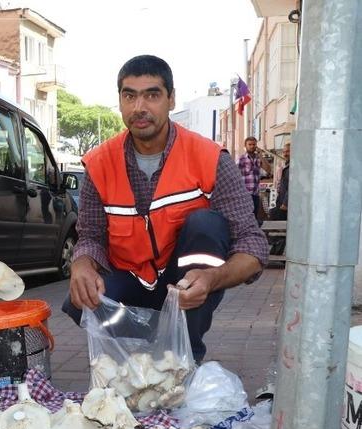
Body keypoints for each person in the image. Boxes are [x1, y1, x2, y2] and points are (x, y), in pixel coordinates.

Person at [63, 55, 269, 362]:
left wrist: (212, 279)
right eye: (129, 95)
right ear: (120, 101)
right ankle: (138, 352)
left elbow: (253, 247)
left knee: (206, 224)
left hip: (185, 288)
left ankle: (185, 353)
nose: (139, 108)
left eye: (152, 94)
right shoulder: (99, 163)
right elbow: (91, 236)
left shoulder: (210, 158)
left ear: (171, 99)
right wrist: (80, 263)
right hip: (130, 278)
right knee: (81, 299)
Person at [238, 136, 263, 222]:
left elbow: (269, 169)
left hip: (256, 194)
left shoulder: (258, 158)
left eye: (254, 144)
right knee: (246, 218)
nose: (252, 146)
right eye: (250, 144)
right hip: (245, 194)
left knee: (254, 218)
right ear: (245, 146)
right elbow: (235, 175)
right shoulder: (241, 159)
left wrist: (261, 156)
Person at [270, 142, 291, 221]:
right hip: (281, 199)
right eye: (284, 152)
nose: (285, 154)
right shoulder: (286, 165)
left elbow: (291, 187)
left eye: (288, 151)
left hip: (287, 203)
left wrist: (285, 203)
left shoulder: (293, 166)